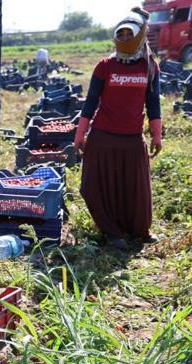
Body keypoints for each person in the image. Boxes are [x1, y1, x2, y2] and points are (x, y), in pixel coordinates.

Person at [73, 7, 161, 251]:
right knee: (94, 186)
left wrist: (156, 134)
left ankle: (138, 231)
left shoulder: (149, 67)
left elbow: (153, 104)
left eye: (128, 35)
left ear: (139, 36)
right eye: (119, 35)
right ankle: (112, 232)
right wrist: (80, 135)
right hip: (102, 138)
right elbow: (90, 103)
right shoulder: (105, 66)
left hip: (132, 139)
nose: (123, 39)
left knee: (135, 189)